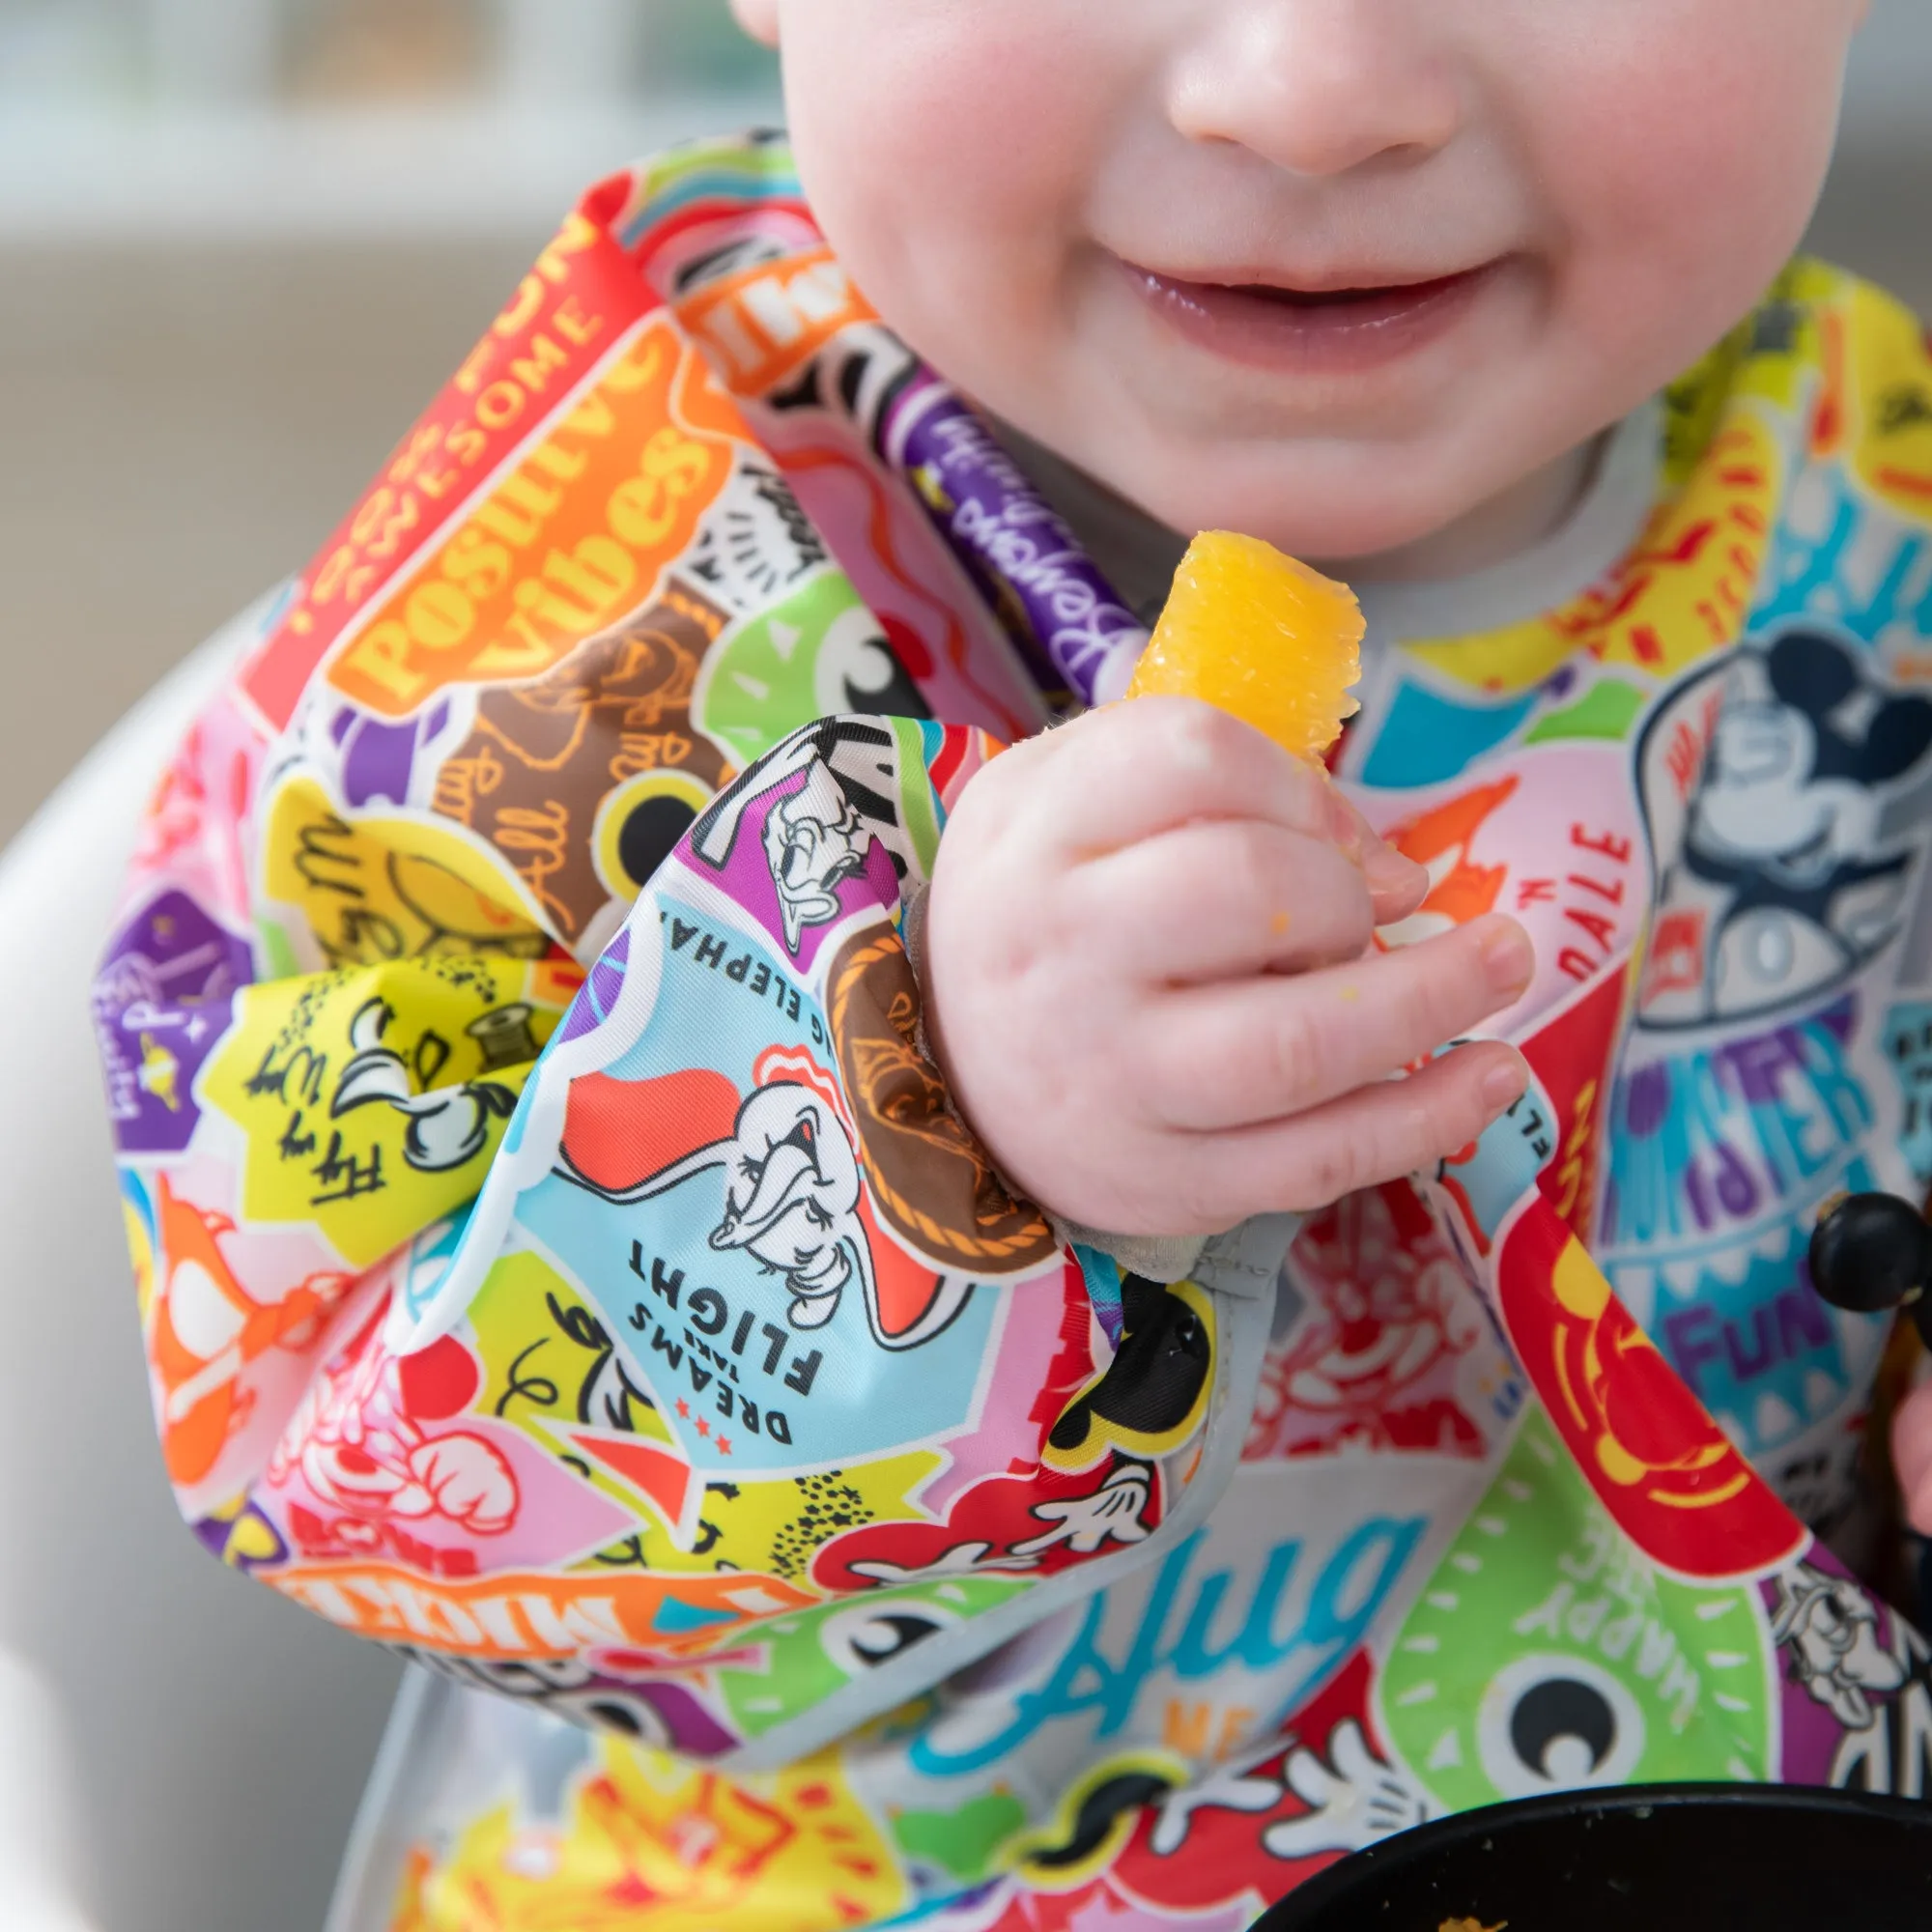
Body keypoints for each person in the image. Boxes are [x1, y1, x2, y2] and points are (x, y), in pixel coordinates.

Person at [94, 4, 1932, 1927]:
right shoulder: (561, 596)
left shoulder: (1868, 484)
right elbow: (345, 1457)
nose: (1308, 92)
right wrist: (916, 1112)